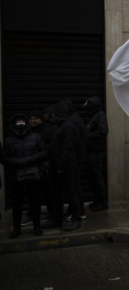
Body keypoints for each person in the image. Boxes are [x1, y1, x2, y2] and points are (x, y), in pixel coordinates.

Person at [2, 114, 47, 238]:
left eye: (22, 121)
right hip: (16, 176)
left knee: (35, 202)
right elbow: (3, 158)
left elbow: (44, 152)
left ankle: (36, 226)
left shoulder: (35, 137)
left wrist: (31, 158)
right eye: (18, 121)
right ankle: (16, 228)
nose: (20, 123)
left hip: (34, 174)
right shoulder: (9, 140)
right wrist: (17, 162)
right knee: (17, 203)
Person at [42, 100, 81, 231]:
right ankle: (57, 219)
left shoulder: (68, 126)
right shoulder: (60, 125)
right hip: (56, 166)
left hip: (65, 166)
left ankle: (76, 219)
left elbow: (67, 149)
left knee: (70, 192)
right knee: (56, 194)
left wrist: (60, 167)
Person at [27, 110, 55, 223]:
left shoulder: (47, 131)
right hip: (33, 165)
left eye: (35, 118)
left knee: (47, 191)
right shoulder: (29, 131)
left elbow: (51, 146)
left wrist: (39, 152)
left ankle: (51, 211)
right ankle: (34, 212)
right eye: (31, 119)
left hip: (44, 166)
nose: (33, 121)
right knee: (34, 191)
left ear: (41, 119)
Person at [83, 96, 109, 212]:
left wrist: (89, 136)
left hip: (96, 152)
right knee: (92, 177)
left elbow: (103, 131)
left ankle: (102, 201)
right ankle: (97, 199)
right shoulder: (94, 116)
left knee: (97, 177)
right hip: (92, 151)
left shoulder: (100, 116)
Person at [62, 98, 87, 222]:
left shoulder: (72, 120)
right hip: (78, 155)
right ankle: (75, 209)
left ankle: (79, 210)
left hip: (77, 156)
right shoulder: (75, 118)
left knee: (75, 184)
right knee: (74, 184)